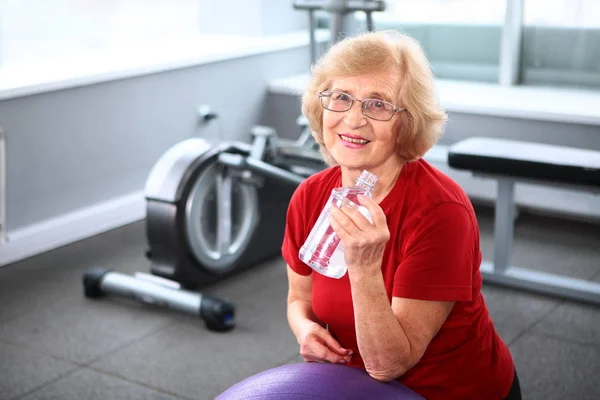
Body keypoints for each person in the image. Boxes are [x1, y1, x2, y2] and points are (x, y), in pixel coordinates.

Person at [281, 30, 522, 400]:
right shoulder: (310, 196)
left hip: (448, 390)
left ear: (406, 122)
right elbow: (299, 300)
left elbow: (389, 365)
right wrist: (304, 330)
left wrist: (363, 267)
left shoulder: (441, 212)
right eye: (341, 97)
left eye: (378, 105)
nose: (354, 119)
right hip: (351, 384)